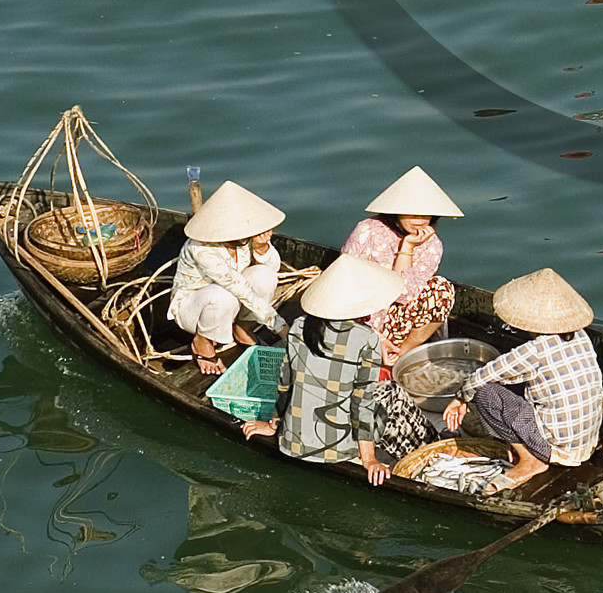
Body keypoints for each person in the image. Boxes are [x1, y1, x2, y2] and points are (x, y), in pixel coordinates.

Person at [241, 252, 418, 486]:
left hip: (293, 442)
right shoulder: (365, 338)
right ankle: (421, 452)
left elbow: (283, 384)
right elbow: (362, 402)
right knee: (393, 396)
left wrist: (273, 424)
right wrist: (369, 459)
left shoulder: (298, 326)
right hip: (339, 449)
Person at [440, 269, 603, 493]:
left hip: (556, 448)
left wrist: (460, 398)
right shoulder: (581, 336)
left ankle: (529, 459)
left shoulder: (536, 350)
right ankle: (524, 445)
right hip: (586, 445)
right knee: (509, 384)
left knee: (485, 393)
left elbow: (480, 378)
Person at [340, 165, 462, 369]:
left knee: (443, 289)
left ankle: (400, 354)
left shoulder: (431, 245)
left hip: (396, 316)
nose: (420, 222)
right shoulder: (367, 230)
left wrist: (407, 247)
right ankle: (378, 347)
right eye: (413, 215)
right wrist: (376, 337)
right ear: (396, 212)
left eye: (426, 216)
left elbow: (403, 295)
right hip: (360, 313)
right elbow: (344, 280)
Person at [169, 181, 287, 376]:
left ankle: (242, 328)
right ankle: (202, 342)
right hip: (194, 309)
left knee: (265, 275)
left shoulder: (246, 239)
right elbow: (238, 288)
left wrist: (261, 248)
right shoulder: (201, 248)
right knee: (222, 294)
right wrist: (281, 328)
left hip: (231, 304)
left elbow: (273, 269)